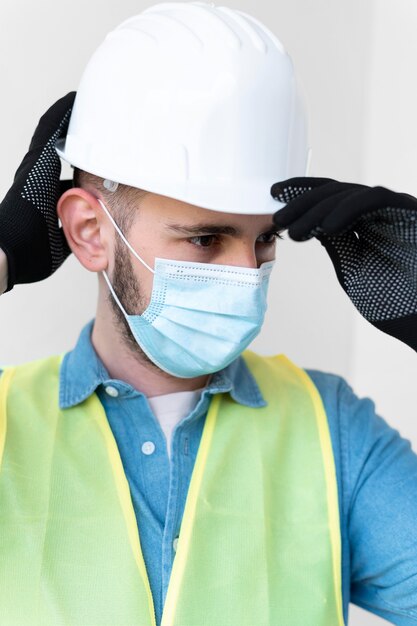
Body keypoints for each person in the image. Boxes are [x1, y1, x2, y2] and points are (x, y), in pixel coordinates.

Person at [0, 3, 416, 625]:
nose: (248, 274)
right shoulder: (6, 428)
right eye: (205, 239)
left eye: (266, 240)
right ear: (91, 230)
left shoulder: (336, 433)